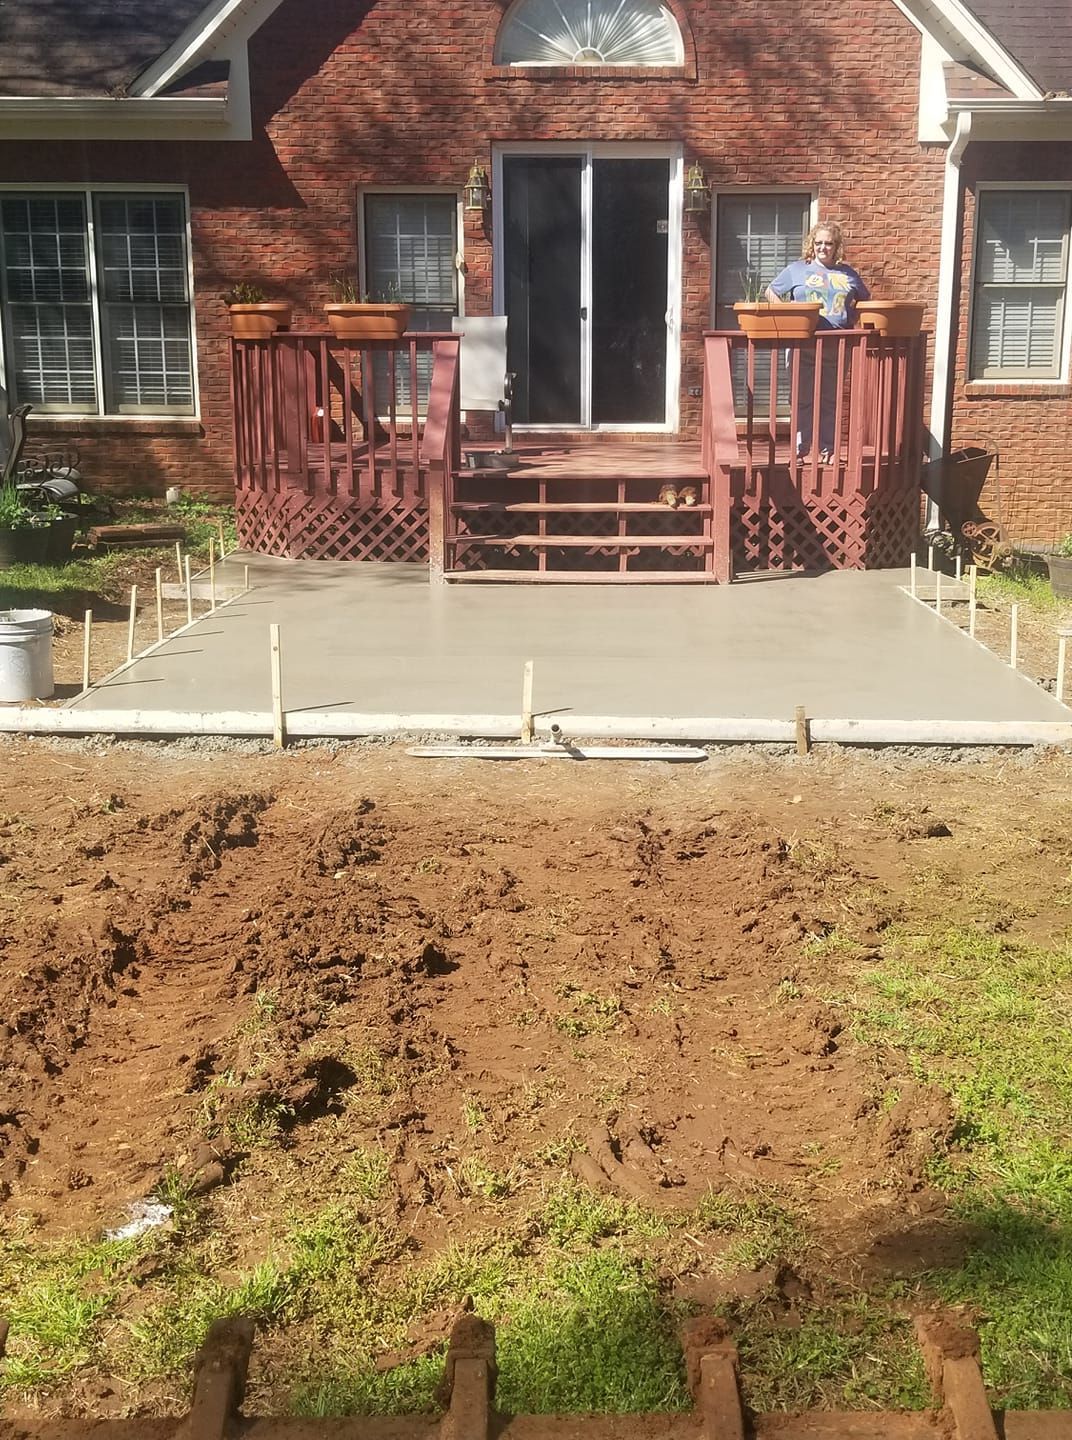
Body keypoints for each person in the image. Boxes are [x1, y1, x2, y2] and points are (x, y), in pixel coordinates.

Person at [765, 222, 869, 462]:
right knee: (802, 398)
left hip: (837, 344)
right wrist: (786, 313)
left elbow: (863, 300)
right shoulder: (797, 270)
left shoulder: (848, 274)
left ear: (836, 247)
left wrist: (851, 316)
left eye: (829, 243)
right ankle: (800, 450)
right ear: (812, 244)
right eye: (819, 242)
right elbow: (771, 291)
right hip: (803, 343)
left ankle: (828, 450)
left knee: (831, 398)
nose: (823, 247)